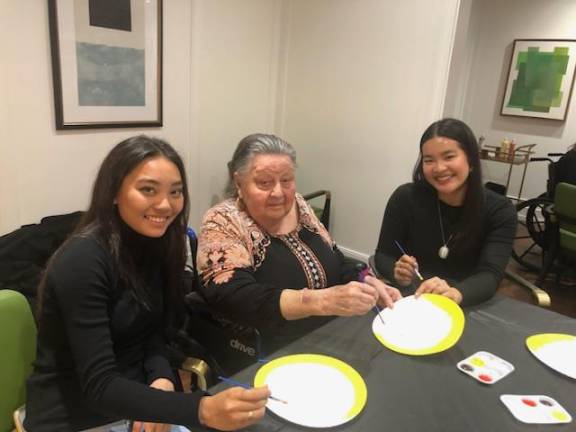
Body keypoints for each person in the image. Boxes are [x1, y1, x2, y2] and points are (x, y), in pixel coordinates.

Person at [25, 136, 270, 432]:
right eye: (147, 190)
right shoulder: (83, 260)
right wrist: (200, 408)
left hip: (132, 396)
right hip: (74, 415)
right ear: (114, 192)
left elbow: (152, 330)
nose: (165, 205)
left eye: (175, 191)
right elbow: (99, 385)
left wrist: (161, 379)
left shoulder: (155, 244)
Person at [197, 133, 400, 352]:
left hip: (330, 334)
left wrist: (367, 280)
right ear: (239, 182)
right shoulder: (223, 220)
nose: (278, 193)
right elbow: (234, 296)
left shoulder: (299, 204)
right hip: (271, 351)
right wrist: (320, 301)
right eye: (264, 182)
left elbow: (335, 258)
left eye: (286, 180)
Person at [374, 118, 517, 306]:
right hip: (412, 301)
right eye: (429, 160)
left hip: (466, 303)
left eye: (449, 157)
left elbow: (490, 275)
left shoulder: (499, 210)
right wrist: (398, 272)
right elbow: (383, 254)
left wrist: (456, 293)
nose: (439, 168)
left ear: (471, 160)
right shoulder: (405, 198)